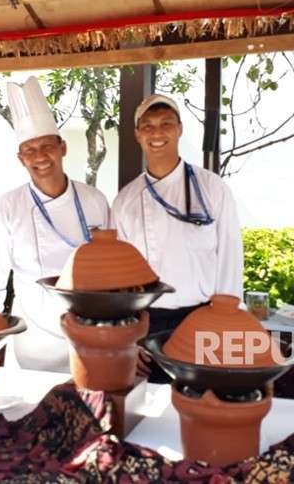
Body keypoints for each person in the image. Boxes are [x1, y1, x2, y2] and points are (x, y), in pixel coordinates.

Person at [0, 76, 110, 372]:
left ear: (62, 148)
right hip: (32, 340)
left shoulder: (95, 201)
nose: (40, 157)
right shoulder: (7, 207)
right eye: (29, 150)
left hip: (89, 334)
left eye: (47, 146)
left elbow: (112, 271)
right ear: (20, 158)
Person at [111, 94, 244, 382]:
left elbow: (231, 260)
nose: (157, 133)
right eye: (147, 126)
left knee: (202, 409)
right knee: (149, 414)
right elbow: (118, 281)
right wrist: (127, 338)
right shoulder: (125, 201)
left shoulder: (212, 188)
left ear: (180, 129)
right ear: (137, 134)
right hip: (146, 327)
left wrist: (224, 326)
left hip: (201, 320)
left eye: (166, 124)